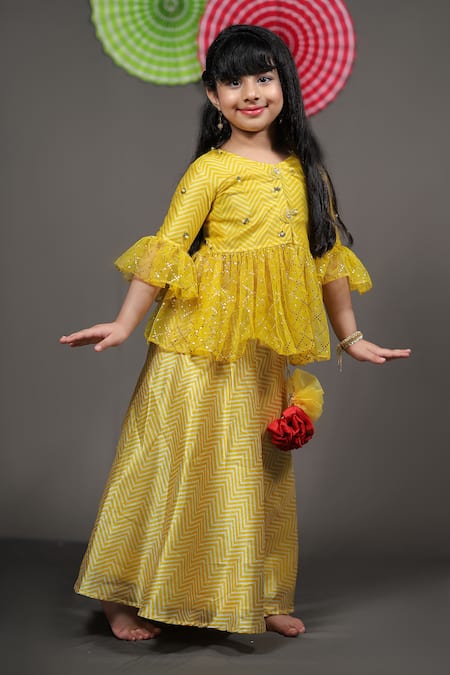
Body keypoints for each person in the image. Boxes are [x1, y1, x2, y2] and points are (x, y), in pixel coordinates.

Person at [60, 24, 411, 641]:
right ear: (213, 95)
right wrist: (125, 322)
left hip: (260, 350)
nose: (251, 93)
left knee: (256, 467)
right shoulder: (209, 171)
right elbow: (168, 250)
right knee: (171, 457)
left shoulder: (308, 173)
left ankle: (256, 593)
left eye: (264, 78)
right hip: (197, 343)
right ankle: (121, 594)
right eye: (234, 81)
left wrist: (352, 338)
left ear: (285, 85)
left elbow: (326, 260)